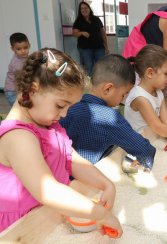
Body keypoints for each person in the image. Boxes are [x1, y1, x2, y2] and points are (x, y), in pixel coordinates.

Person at [0, 48, 122, 236]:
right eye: (60, 105)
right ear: (32, 90)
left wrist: (105, 184)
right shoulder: (18, 138)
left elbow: (72, 160)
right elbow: (47, 190)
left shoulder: (47, 124)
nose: (64, 114)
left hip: (48, 217)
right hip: (19, 229)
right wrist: (99, 213)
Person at [60, 54, 156, 169]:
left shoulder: (68, 108)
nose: (124, 99)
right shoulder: (109, 118)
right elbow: (144, 150)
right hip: (89, 178)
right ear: (108, 89)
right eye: (124, 94)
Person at [72, 1, 109, 75]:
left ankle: (100, 81)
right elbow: (74, 33)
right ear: (80, 11)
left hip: (99, 47)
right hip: (85, 49)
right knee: (89, 66)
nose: (84, 10)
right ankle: (91, 84)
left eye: (86, 8)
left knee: (101, 65)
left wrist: (106, 46)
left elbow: (103, 33)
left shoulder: (96, 19)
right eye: (82, 8)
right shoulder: (78, 21)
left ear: (89, 9)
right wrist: (82, 33)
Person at [4, 33, 31, 106]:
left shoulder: (24, 57)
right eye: (19, 49)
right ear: (13, 49)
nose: (23, 51)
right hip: (13, 92)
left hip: (19, 89)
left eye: (25, 47)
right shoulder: (16, 63)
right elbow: (25, 77)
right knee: (19, 110)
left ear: (29, 45)